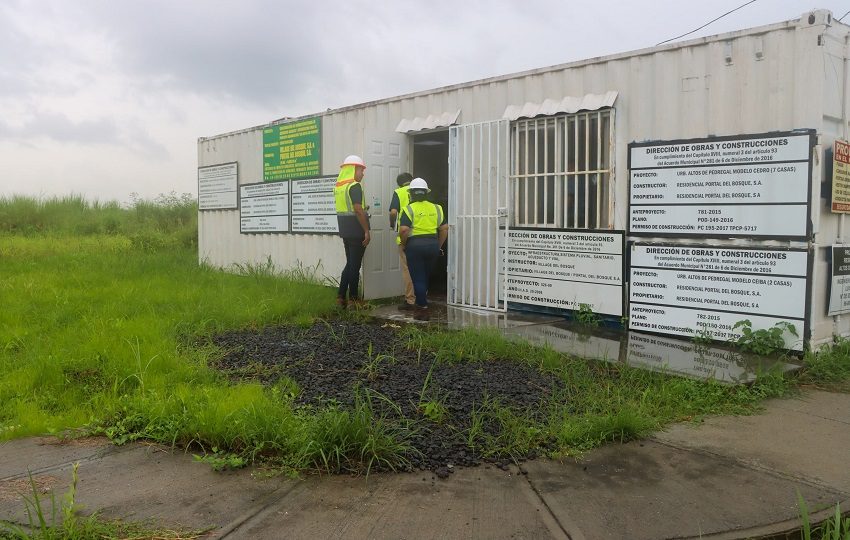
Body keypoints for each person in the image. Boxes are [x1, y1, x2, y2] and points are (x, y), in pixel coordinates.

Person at [398, 177, 448, 314]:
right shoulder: (437, 208)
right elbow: (444, 228)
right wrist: (438, 245)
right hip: (432, 244)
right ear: (427, 193)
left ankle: (422, 307)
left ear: (411, 193)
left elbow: (403, 230)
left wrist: (403, 244)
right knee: (425, 276)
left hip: (415, 246)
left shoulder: (408, 209)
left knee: (418, 278)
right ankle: (422, 302)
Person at [334, 154, 370, 308]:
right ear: (354, 170)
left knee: (350, 264)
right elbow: (357, 209)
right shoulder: (354, 186)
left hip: (345, 230)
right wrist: (366, 231)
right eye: (361, 170)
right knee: (354, 267)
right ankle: (353, 300)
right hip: (356, 231)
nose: (362, 174)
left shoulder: (339, 187)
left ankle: (340, 297)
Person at [389, 172, 415, 310]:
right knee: (420, 268)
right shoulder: (419, 190)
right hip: (423, 234)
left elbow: (393, 212)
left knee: (407, 269)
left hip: (405, 235)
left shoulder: (398, 192)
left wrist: (392, 224)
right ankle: (423, 295)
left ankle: (410, 299)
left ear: (399, 184)